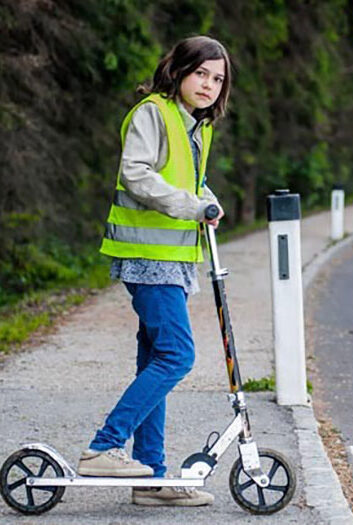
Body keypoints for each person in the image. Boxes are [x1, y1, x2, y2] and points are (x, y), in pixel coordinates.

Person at [76, 35, 231, 507]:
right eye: (201, 73)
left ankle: (151, 475)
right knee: (177, 356)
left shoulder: (197, 127)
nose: (208, 85)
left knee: (154, 359)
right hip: (147, 257)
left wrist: (208, 199)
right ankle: (104, 447)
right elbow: (137, 174)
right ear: (180, 71)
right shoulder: (153, 112)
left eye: (218, 79)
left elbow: (190, 181)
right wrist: (192, 205)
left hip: (174, 260)